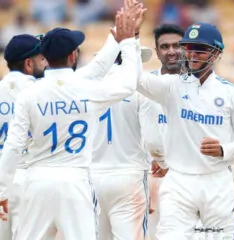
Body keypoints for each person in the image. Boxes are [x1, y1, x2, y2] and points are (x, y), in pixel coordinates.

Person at [0, 5, 144, 239]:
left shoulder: (30, 94)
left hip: (37, 181)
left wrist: (2, 190)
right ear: (73, 55)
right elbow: (125, 83)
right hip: (75, 180)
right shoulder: (85, 88)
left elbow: (13, 146)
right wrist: (126, 41)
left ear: (45, 59)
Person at [137, 22, 234, 239]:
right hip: (178, 181)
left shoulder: (232, 94)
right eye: (188, 48)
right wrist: (130, 39)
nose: (191, 55)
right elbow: (135, 80)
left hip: (217, 182)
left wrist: (222, 150)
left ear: (216, 53)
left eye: (199, 49)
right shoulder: (171, 85)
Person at [89, 40, 162, 240]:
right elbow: (153, 140)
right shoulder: (141, 89)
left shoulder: (89, 87)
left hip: (92, 175)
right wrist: (161, 162)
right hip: (129, 175)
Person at [0, 34, 48, 240]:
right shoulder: (41, 93)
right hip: (30, 177)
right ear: (29, 64)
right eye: (41, 59)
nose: (45, 64)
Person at [147, 23, 184, 240]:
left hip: (187, 176)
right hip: (153, 176)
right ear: (157, 52)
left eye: (177, 45)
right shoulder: (145, 84)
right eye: (165, 46)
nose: (171, 51)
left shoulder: (199, 85)